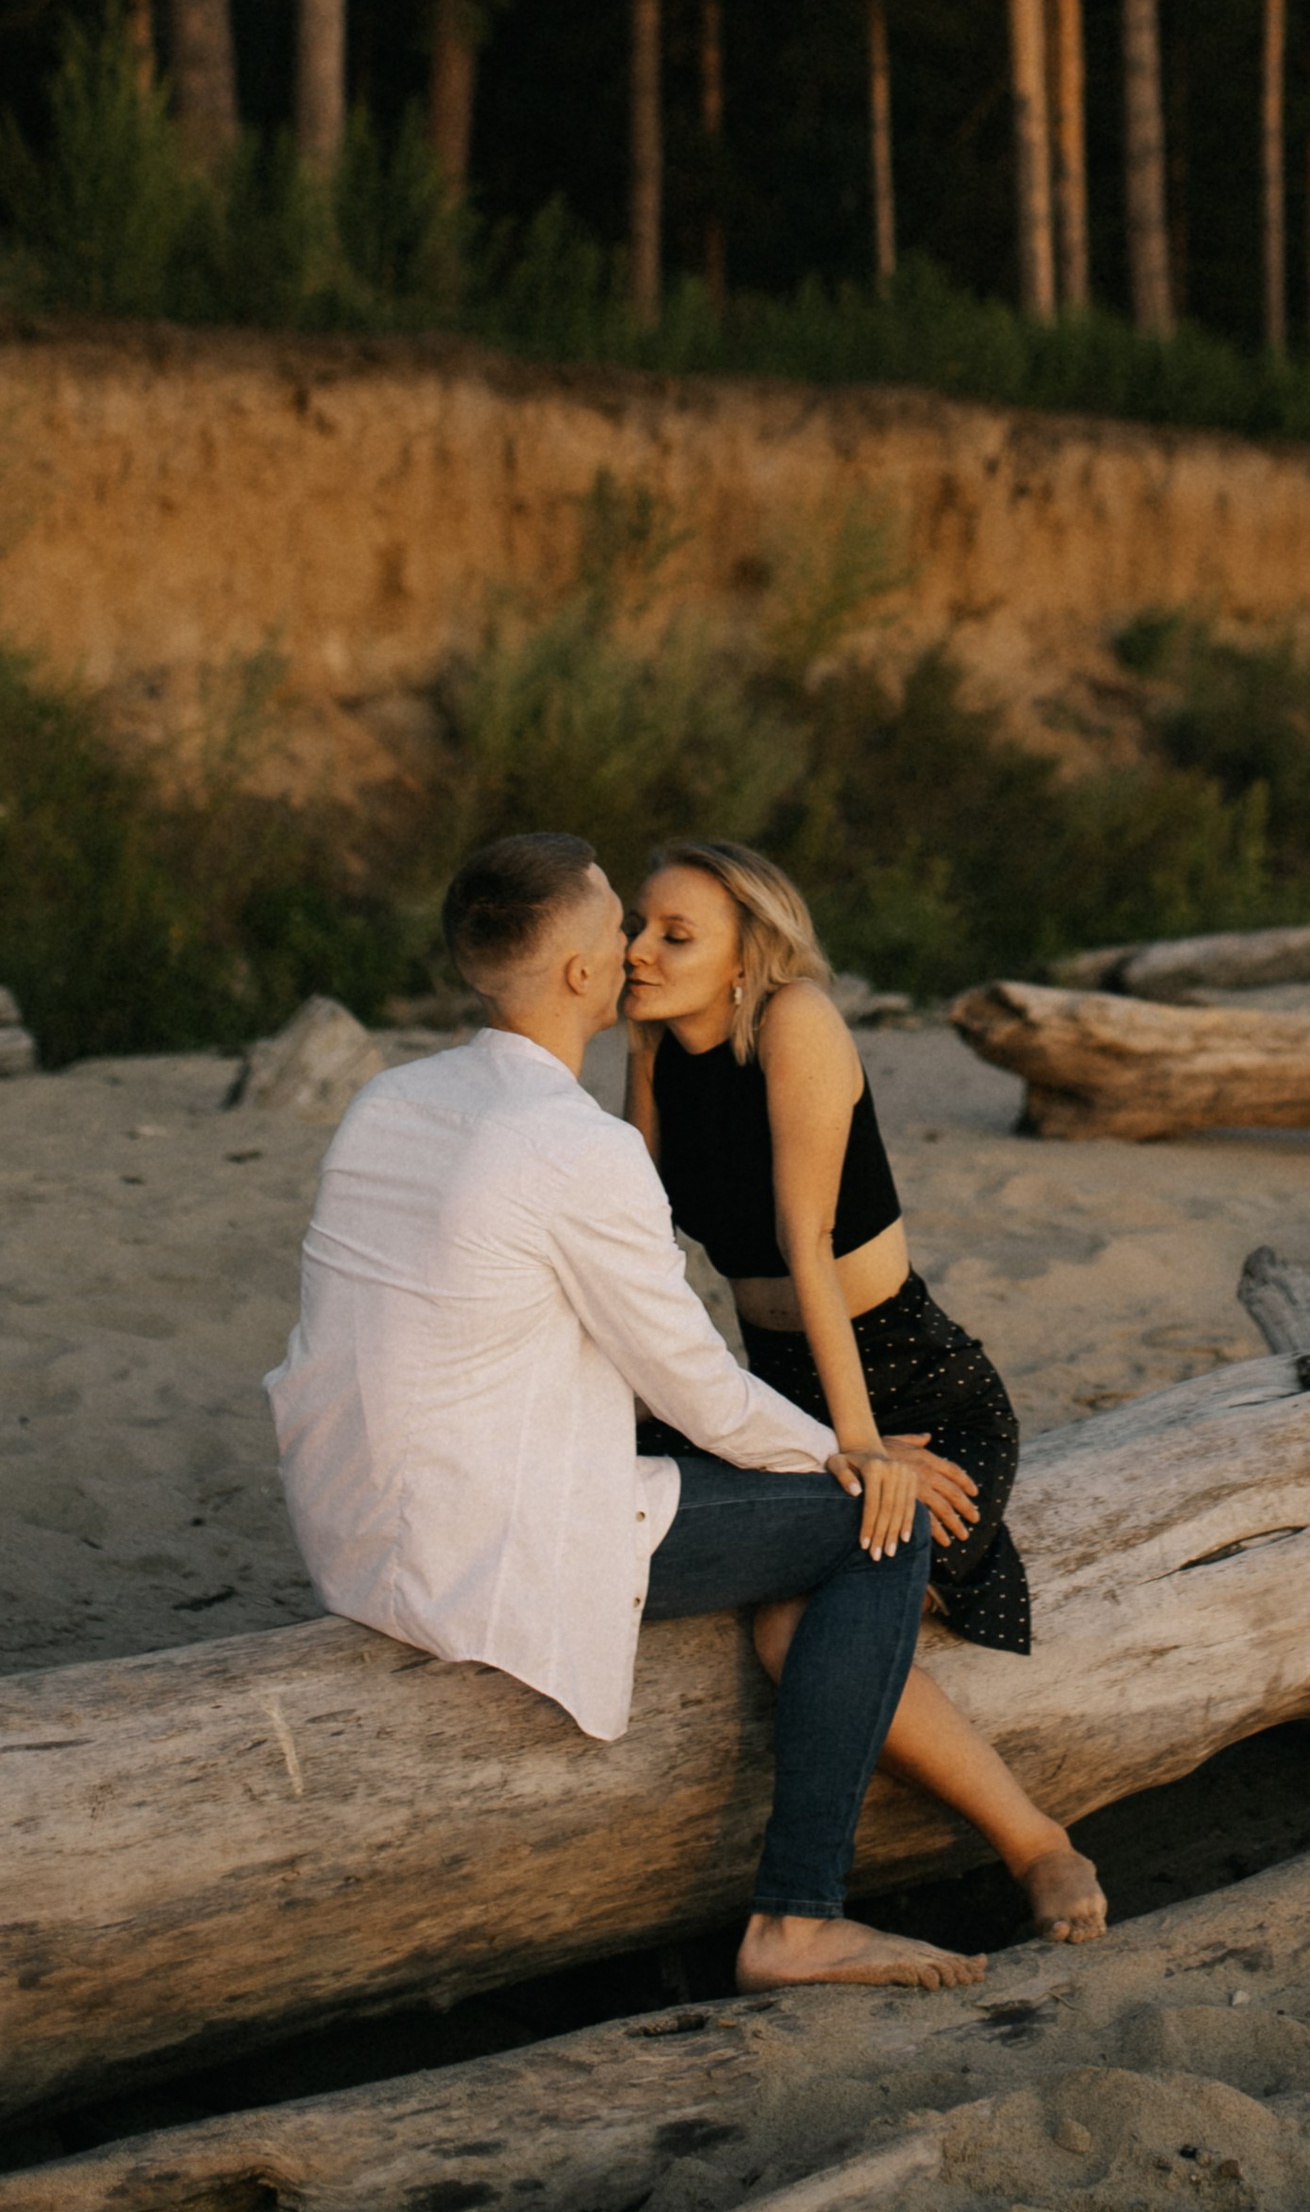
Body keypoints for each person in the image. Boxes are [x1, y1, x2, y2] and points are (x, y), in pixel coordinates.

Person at [265, 829, 983, 1992]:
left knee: (790, 1485)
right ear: (580, 972)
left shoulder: (390, 1098)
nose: (636, 948)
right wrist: (855, 1456)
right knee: (875, 1525)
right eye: (620, 929)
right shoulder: (570, 1144)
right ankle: (798, 1916)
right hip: (479, 1540)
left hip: (344, 1522)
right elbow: (696, 1386)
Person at [623, 836, 1103, 1946]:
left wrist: (862, 1444)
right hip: (778, 1396)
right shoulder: (651, 1046)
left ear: (747, 956)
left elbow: (807, 1239)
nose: (639, 950)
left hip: (907, 1388)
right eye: (637, 925)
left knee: (791, 1627)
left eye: (676, 935)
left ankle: (1036, 1841)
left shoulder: (795, 1020)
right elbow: (639, 1242)